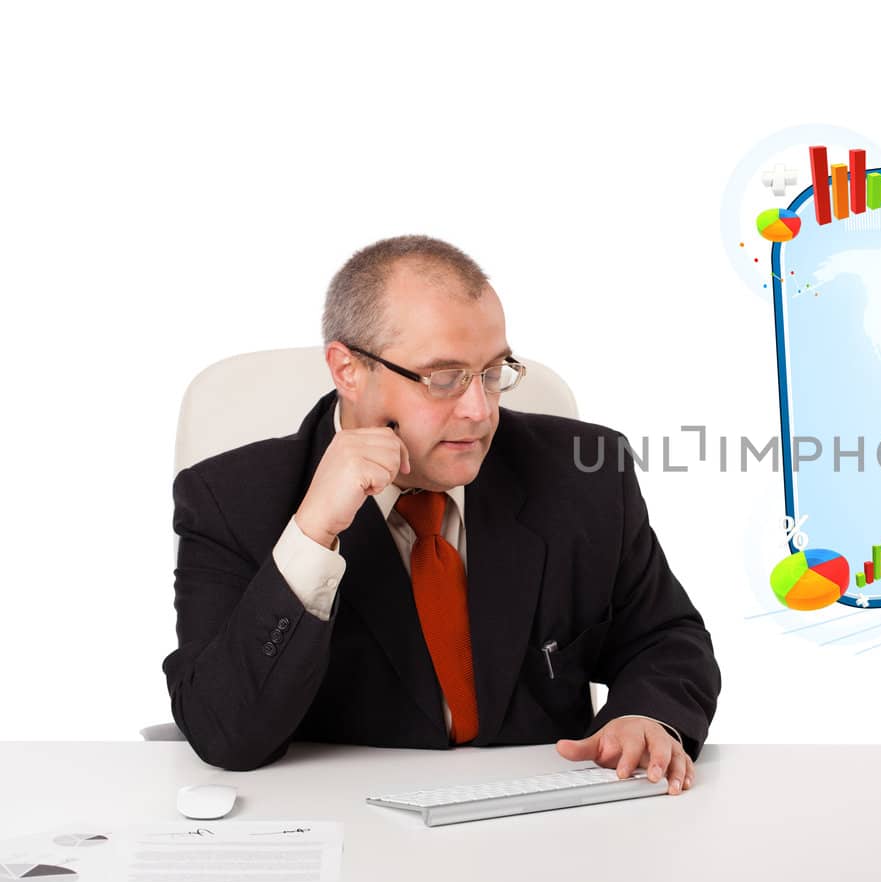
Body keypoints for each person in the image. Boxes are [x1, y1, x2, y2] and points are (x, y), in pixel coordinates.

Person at [163, 235, 720, 791]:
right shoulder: (228, 500)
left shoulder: (584, 475)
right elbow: (225, 733)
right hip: (344, 829)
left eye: (494, 371)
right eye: (444, 378)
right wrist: (313, 537)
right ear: (348, 369)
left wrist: (645, 714)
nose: (479, 410)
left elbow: (665, 637)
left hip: (539, 827)